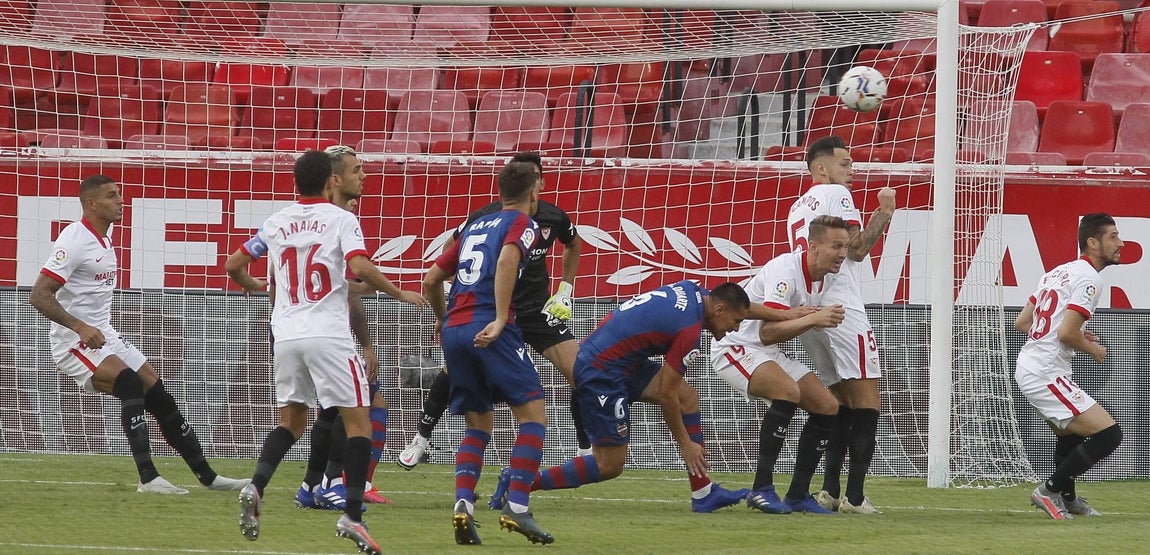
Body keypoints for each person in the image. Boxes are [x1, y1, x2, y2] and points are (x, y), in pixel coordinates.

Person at [226, 151, 426, 554]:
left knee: (292, 422)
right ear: (331, 181)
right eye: (354, 172)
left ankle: (256, 484)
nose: (361, 177)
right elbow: (360, 265)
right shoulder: (342, 219)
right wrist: (399, 291)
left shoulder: (277, 221)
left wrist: (259, 288)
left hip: (285, 334)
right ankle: (353, 516)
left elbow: (234, 264)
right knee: (359, 424)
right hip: (329, 334)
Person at [29, 174, 250, 496]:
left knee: (157, 392)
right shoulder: (74, 239)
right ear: (91, 204)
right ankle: (148, 478)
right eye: (111, 196)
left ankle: (208, 477)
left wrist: (95, 327)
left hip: (104, 333)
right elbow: (39, 295)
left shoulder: (105, 236)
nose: (120, 201)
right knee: (129, 382)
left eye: (119, 194)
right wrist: (79, 326)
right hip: (73, 341)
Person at [489, 280, 752, 515]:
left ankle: (703, 493)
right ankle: (520, 481)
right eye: (736, 322)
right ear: (720, 310)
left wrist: (784, 315)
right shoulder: (690, 331)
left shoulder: (693, 290)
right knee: (610, 466)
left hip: (619, 360)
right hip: (601, 371)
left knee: (688, 396)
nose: (735, 329)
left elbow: (740, 309)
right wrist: (685, 444)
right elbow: (665, 394)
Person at [398, 151, 588, 469]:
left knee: (581, 372)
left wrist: (565, 290)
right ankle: (421, 438)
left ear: (540, 182)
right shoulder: (488, 216)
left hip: (535, 309)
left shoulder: (554, 218)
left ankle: (585, 450)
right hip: (493, 311)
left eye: (536, 174)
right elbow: (451, 249)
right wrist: (463, 296)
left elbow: (574, 243)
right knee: (453, 371)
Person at [423, 161, 554, 546]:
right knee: (533, 416)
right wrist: (499, 319)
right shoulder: (522, 225)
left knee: (478, 425)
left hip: (456, 330)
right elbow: (508, 260)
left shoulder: (474, 226)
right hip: (489, 326)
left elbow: (431, 279)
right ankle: (517, 507)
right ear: (533, 193)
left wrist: (444, 319)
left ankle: (464, 503)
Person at [711, 216, 851, 515]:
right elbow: (766, 331)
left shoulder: (826, 277)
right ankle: (761, 489)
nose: (842, 253)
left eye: (845, 247)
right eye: (836, 246)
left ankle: (798, 494)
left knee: (827, 406)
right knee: (788, 391)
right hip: (736, 346)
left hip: (766, 351)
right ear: (813, 247)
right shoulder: (785, 271)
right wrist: (811, 319)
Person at [787, 135, 895, 514]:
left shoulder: (796, 208)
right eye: (845, 164)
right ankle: (854, 497)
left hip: (812, 312)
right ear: (821, 168)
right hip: (843, 309)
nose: (852, 171)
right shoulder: (837, 196)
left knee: (841, 404)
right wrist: (884, 212)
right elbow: (858, 250)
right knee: (867, 404)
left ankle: (831, 491)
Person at [1015, 213, 1123, 520]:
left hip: (1033, 365)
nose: (1121, 243)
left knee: (1071, 436)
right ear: (1092, 242)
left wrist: (1069, 333)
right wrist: (1093, 349)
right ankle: (1049, 490)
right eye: (1113, 236)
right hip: (1045, 371)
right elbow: (1065, 333)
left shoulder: (1056, 273)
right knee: (1109, 435)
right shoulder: (1090, 278)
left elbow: (1023, 322)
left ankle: (1070, 498)